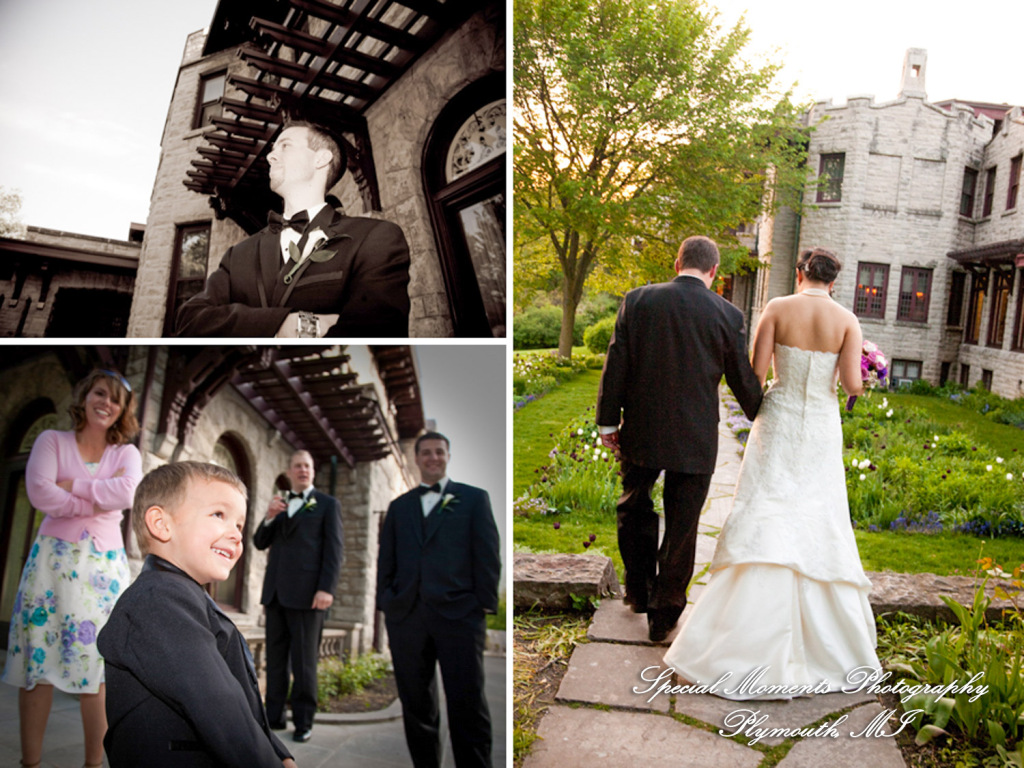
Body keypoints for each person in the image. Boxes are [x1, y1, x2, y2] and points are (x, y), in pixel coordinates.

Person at [663, 247, 881, 697]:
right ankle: (830, 650)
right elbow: (851, 385)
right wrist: (869, 372)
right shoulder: (847, 320)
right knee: (818, 515)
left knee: (766, 510)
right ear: (833, 281)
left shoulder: (777, 309)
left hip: (778, 423)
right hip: (820, 426)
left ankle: (732, 643)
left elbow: (755, 374)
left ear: (800, 273)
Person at [596, 236, 763, 643]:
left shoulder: (638, 301)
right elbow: (743, 378)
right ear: (713, 272)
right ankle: (664, 614)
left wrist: (607, 423)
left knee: (634, 506)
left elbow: (616, 364)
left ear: (677, 262)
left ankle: (638, 592)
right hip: (695, 437)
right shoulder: (728, 314)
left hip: (642, 429)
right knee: (683, 525)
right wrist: (764, 407)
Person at [97, 461, 297, 767]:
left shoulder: (185, 596)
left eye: (240, 525)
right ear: (161, 524)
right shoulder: (157, 601)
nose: (236, 534)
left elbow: (239, 703)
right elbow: (218, 705)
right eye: (219, 515)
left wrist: (279, 753)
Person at [2, 368, 142, 768]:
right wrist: (99, 500)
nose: (106, 403)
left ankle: (93, 765)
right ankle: (29, 763)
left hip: (104, 570)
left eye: (115, 399)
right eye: (100, 393)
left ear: (122, 410)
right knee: (38, 665)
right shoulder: (51, 440)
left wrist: (73, 487)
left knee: (95, 669)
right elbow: (39, 493)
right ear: (84, 396)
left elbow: (128, 492)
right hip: (51, 565)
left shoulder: (125, 454)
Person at [175, 119, 411, 338]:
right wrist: (283, 324)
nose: (270, 157)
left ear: (321, 159)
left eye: (285, 146)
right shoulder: (237, 255)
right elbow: (190, 321)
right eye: (272, 150)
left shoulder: (375, 238)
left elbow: (378, 333)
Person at [376, 432, 501, 768]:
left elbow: (488, 556)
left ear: (448, 455)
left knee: (468, 704)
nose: (433, 457)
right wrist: (387, 603)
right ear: (416, 458)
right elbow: (385, 560)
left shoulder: (474, 499)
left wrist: (481, 606)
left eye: (439, 452)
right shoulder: (398, 507)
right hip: (407, 618)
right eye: (426, 452)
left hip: (460, 617)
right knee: (416, 705)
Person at [253, 450, 343, 743]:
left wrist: (326, 588)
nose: (302, 470)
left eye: (307, 466)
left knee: (304, 663)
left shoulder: (328, 505)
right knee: (276, 661)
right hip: (276, 595)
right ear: (289, 471)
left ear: (313, 471)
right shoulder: (280, 506)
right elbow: (258, 542)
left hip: (309, 597)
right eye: (297, 466)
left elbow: (334, 550)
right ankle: (275, 717)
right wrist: (268, 517)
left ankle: (304, 721)